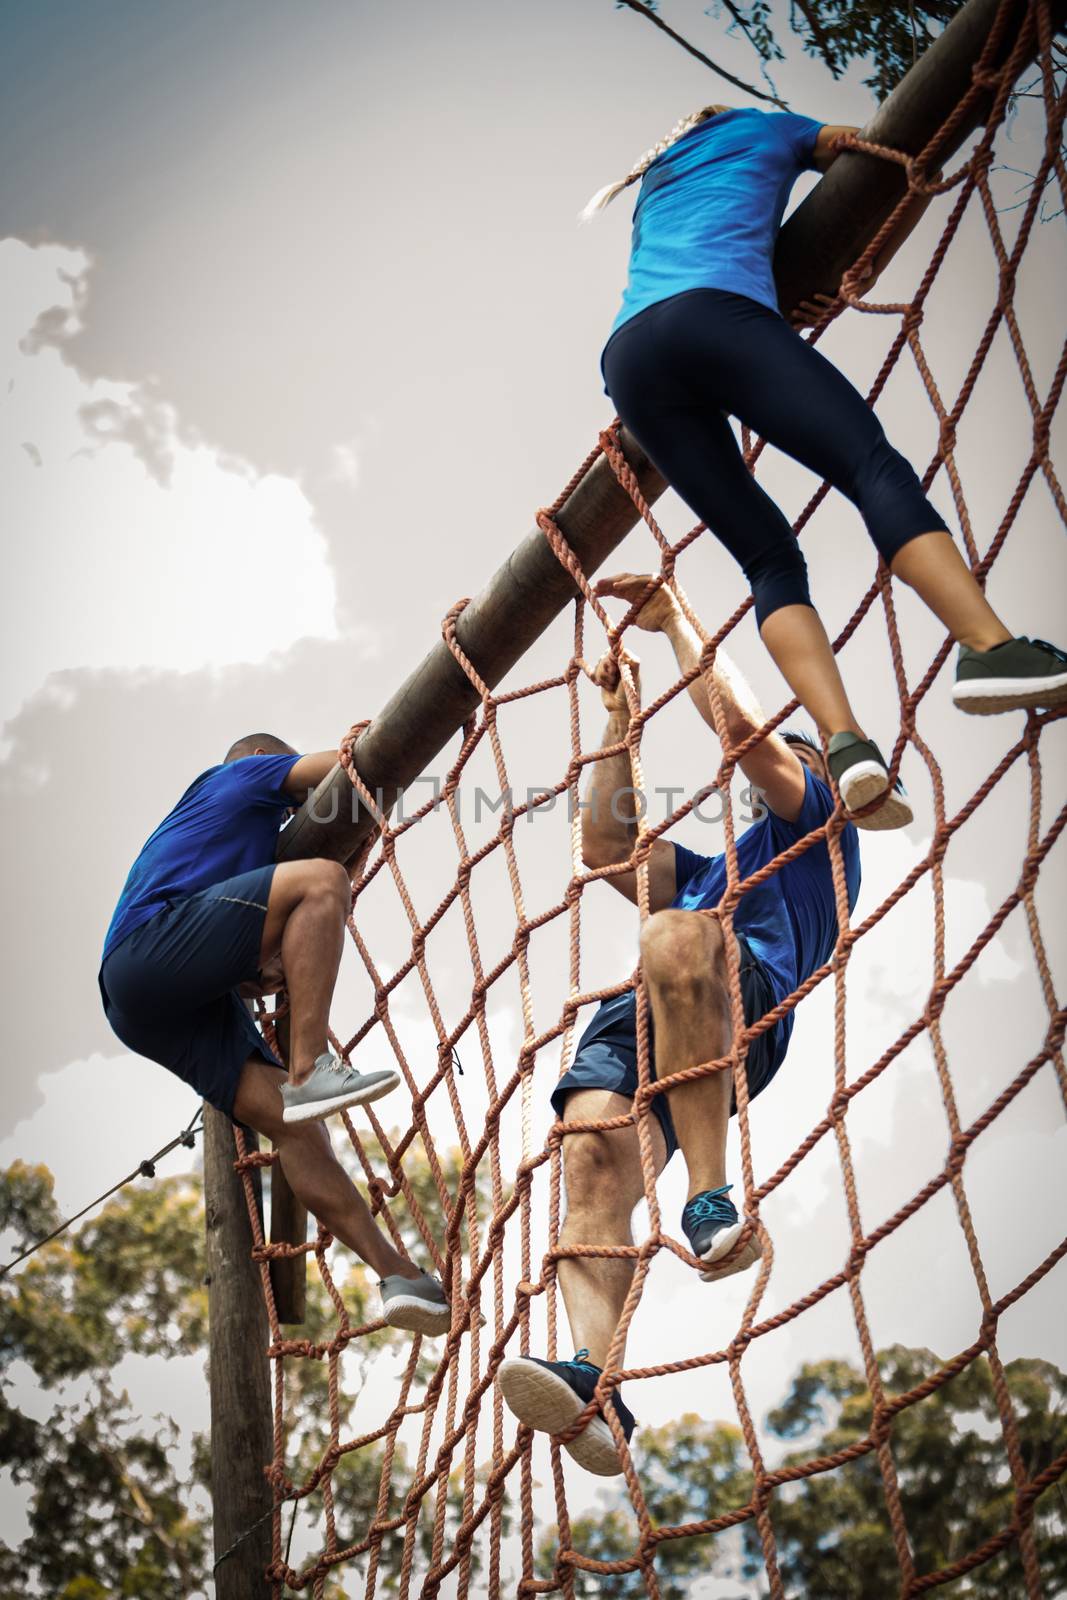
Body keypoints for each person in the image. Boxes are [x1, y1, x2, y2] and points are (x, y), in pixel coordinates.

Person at [579, 104, 1067, 829]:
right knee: (871, 467)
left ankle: (845, 749)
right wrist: (850, 269)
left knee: (768, 559)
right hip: (718, 316)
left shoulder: (655, 181)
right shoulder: (764, 125)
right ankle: (989, 648)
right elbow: (869, 158)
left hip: (630, 358)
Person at [498, 573, 862, 1474]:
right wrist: (622, 725)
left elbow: (740, 732)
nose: (773, 766)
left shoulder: (820, 819)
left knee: (672, 938)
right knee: (584, 1154)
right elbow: (605, 850)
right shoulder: (714, 865)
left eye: (790, 756)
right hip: (648, 1007)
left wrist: (671, 621)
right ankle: (594, 1383)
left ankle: (710, 1195)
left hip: (736, 1002)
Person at [99, 733, 450, 1336]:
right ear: (263, 764)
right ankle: (311, 1067)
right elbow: (347, 768)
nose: (290, 812)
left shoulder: (232, 855)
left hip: (150, 1004)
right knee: (319, 882)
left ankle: (398, 1275)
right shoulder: (237, 777)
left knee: (295, 1129)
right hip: (149, 949)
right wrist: (375, 738)